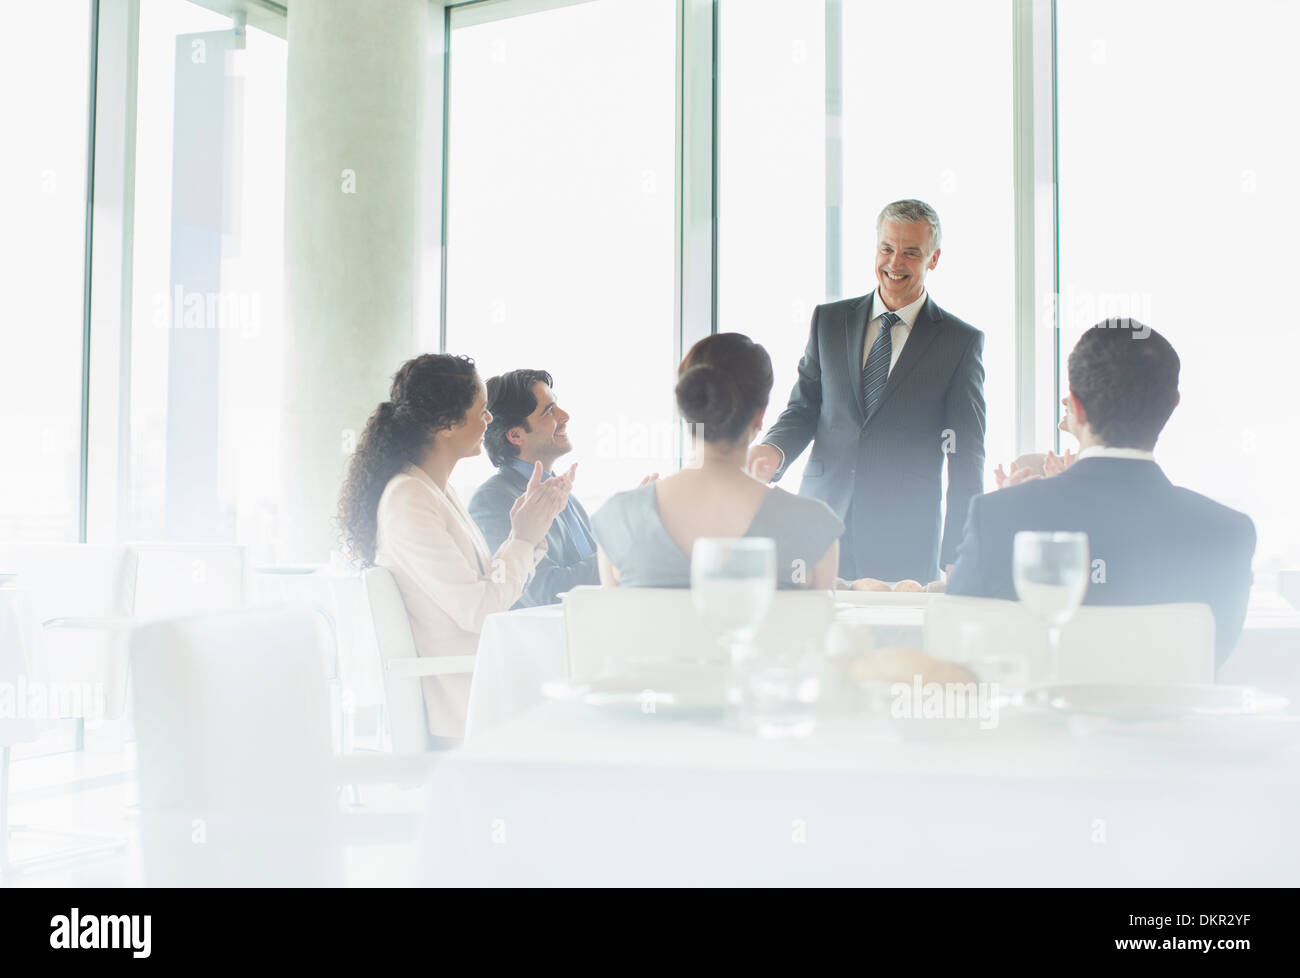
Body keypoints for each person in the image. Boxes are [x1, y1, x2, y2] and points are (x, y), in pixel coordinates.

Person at [947, 321, 1255, 664]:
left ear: (1075, 408)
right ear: (1172, 406)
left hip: (1036, 717)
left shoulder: (997, 518)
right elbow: (1211, 661)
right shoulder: (1229, 534)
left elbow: (957, 649)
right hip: (1169, 717)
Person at [748, 199, 986, 584]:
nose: (895, 263)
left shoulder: (960, 342)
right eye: (887, 249)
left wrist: (960, 548)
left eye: (911, 253)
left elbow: (966, 452)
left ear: (934, 258)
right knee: (812, 635)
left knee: (895, 640)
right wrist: (772, 450)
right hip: (819, 524)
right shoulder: (828, 321)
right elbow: (804, 408)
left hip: (905, 535)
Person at [337, 354, 570, 743]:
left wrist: (527, 532)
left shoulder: (434, 490)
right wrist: (523, 538)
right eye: (481, 412)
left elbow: (485, 594)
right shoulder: (409, 500)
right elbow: (481, 611)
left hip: (485, 681)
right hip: (466, 699)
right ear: (446, 424)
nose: (490, 420)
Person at [593, 333, 843, 589]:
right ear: (760, 415)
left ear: (686, 407)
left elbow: (614, 627)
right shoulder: (812, 526)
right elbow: (817, 626)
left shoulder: (618, 519)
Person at [469, 369, 600, 608]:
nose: (565, 415)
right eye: (549, 411)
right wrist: (617, 555)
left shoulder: (562, 494)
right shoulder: (493, 500)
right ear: (516, 435)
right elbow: (545, 591)